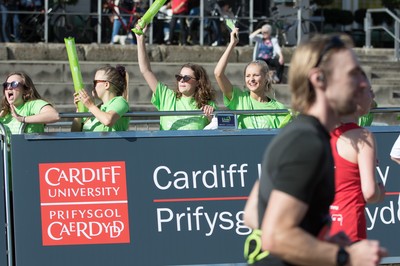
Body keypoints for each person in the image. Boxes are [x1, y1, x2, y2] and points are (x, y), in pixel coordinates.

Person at [256, 34, 387, 265]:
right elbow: (274, 237)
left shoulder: (302, 133)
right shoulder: (307, 142)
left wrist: (319, 239)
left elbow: (252, 214)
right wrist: (347, 256)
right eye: (352, 74)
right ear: (319, 79)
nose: (364, 83)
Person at [330, 72, 385, 243]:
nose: (373, 96)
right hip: (350, 228)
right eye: (370, 90)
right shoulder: (362, 136)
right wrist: (381, 191)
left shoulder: (322, 132)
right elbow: (369, 192)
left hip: (324, 228)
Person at [135, 25, 216, 130]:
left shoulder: (208, 105)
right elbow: (146, 70)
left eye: (186, 78)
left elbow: (219, 130)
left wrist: (211, 118)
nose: (181, 80)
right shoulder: (167, 96)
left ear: (198, 82)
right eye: (179, 77)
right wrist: (140, 39)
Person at [214, 27, 287, 129]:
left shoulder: (279, 109)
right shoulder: (239, 99)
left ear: (266, 77)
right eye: (248, 76)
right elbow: (218, 74)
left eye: (256, 75)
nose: (251, 79)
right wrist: (232, 44)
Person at [0, 72, 59, 138]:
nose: (9, 87)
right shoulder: (4, 112)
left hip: (31, 148)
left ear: (25, 90)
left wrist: (23, 119)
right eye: (6, 85)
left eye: (14, 84)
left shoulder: (32, 105)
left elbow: (54, 115)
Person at [71, 65, 130, 132]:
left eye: (95, 82)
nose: (93, 86)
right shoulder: (95, 109)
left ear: (106, 85)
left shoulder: (120, 101)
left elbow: (108, 120)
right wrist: (79, 110)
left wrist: (90, 105)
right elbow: (74, 132)